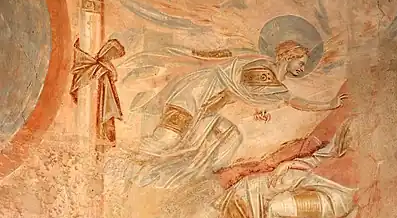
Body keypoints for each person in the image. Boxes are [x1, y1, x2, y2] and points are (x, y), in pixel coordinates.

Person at [113, 39, 347, 190]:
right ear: (287, 56)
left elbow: (249, 94)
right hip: (196, 94)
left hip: (209, 107)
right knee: (168, 139)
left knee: (230, 137)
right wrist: (328, 104)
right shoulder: (264, 71)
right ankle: (121, 163)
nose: (302, 68)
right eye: (300, 62)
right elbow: (290, 100)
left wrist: (260, 109)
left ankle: (195, 176)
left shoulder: (271, 79)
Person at [214, 118, 358, 218]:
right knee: (251, 185)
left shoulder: (365, 164)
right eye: (349, 135)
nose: (351, 139)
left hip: (332, 199)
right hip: (310, 179)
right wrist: (289, 164)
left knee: (274, 206)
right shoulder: (340, 144)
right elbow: (317, 160)